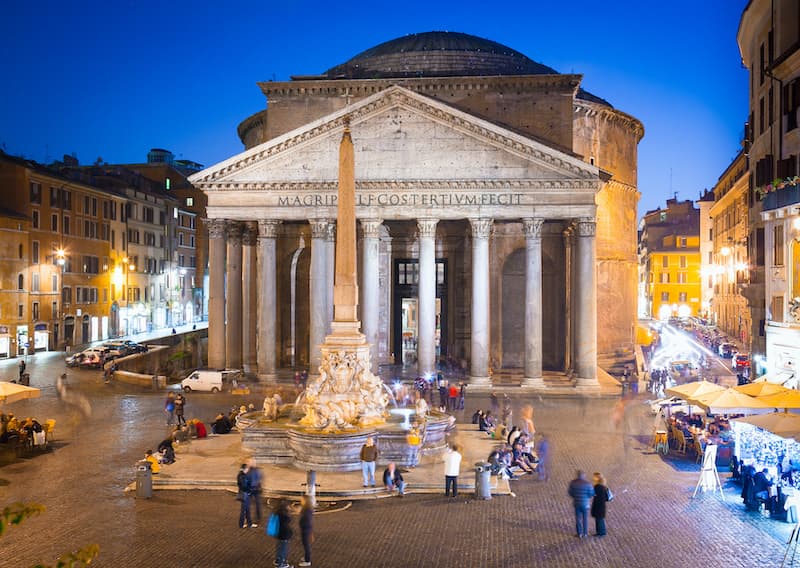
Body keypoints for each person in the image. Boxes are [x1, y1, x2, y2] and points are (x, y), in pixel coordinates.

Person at [568, 470, 594, 538]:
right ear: (584, 476)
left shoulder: (573, 483)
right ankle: (585, 533)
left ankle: (579, 533)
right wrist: (587, 497)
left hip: (577, 503)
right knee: (585, 519)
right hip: (585, 504)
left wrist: (575, 496)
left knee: (578, 519)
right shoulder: (588, 484)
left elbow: (570, 492)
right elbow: (591, 493)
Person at [272, 498, 293, 568]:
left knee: (279, 547)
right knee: (283, 549)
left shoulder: (277, 512)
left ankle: (278, 560)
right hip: (284, 534)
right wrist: (289, 512)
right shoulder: (284, 514)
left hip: (278, 533)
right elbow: (288, 521)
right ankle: (282, 564)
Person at [237, 463, 256, 528]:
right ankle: (241, 524)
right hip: (244, 495)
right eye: (247, 468)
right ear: (244, 469)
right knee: (244, 510)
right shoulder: (241, 476)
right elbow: (243, 486)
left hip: (246, 494)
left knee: (247, 510)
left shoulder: (243, 475)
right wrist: (249, 490)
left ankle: (249, 523)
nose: (248, 469)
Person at [591, 472, 610, 537]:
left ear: (597, 479)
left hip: (598, 507)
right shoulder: (603, 486)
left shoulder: (597, 487)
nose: (593, 478)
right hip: (601, 506)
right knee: (600, 519)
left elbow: (592, 494)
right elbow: (606, 498)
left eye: (594, 477)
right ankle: (600, 532)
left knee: (599, 520)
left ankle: (601, 533)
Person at [247, 457, 263, 523]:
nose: (248, 463)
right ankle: (257, 517)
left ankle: (258, 517)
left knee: (256, 504)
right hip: (254, 489)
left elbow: (254, 481)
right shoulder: (251, 470)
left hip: (254, 489)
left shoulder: (255, 471)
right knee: (255, 503)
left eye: (249, 462)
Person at [298, 494, 314, 567]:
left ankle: (308, 560)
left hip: (305, 530)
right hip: (305, 530)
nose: (301, 501)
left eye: (302, 500)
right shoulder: (307, 510)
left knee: (306, 546)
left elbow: (307, 522)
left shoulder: (306, 512)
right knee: (305, 545)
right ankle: (306, 557)